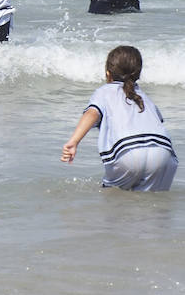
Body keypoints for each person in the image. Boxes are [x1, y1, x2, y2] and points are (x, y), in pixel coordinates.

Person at [62, 45, 177, 192]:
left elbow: (92, 113)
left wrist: (74, 142)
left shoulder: (104, 91)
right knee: (151, 207)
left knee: (112, 199)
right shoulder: (144, 97)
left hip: (128, 153)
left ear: (108, 74)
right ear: (138, 74)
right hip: (163, 152)